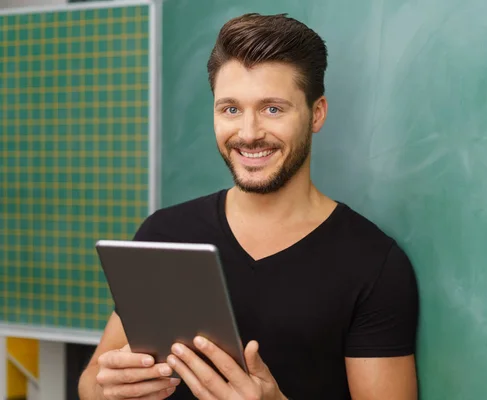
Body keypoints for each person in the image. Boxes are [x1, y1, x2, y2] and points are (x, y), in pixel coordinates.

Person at [78, 12, 419, 400]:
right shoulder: (164, 234)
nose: (249, 133)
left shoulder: (373, 264)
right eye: (231, 109)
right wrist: (109, 388)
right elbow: (92, 382)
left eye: (273, 109)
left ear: (316, 113)